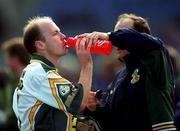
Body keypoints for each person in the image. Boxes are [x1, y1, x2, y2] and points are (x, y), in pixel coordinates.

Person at [82, 14, 176, 131]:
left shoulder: (155, 61)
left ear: (141, 37)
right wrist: (94, 108)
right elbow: (112, 122)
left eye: (122, 33)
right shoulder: (119, 76)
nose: (116, 40)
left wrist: (108, 35)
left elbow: (154, 45)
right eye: (116, 33)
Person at [12, 16, 93, 131]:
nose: (63, 36)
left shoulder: (37, 71)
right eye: (56, 33)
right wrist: (87, 64)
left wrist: (77, 125)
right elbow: (78, 104)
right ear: (40, 45)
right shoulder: (38, 73)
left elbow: (59, 117)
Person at [0, 37, 30, 131]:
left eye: (8, 56)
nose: (6, 60)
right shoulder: (11, 77)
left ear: (15, 58)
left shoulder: (30, 79)